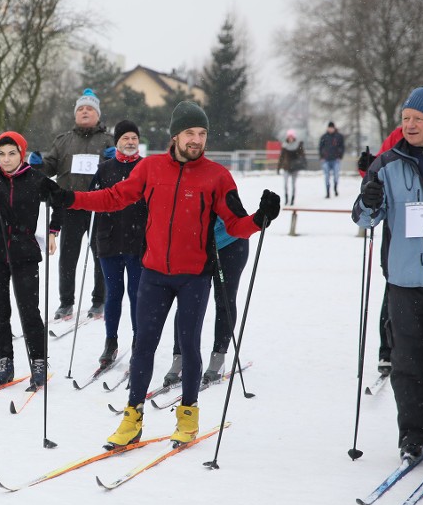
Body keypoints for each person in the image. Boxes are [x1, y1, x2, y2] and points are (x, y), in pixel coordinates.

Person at [49, 101, 280, 448]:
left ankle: (188, 417)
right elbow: (113, 197)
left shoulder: (217, 176)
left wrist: (261, 218)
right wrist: (70, 199)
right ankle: (132, 418)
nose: (197, 140)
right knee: (144, 345)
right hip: (153, 274)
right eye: (190, 133)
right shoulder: (151, 169)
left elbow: (236, 224)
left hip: (194, 277)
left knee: (188, 346)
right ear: (175, 135)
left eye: (202, 134)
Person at [353, 86, 423, 466]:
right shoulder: (387, 163)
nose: (410, 125)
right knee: (407, 364)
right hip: (404, 280)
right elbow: (366, 219)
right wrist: (367, 202)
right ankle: (412, 436)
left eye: (417, 119)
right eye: (405, 119)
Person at [0, 131, 63, 389]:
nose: (6, 159)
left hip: (24, 250)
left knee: (29, 310)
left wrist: (53, 231)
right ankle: (5, 361)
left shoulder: (35, 179)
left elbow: (60, 202)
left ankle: (38, 361)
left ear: (21, 154)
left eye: (12, 153)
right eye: (1, 154)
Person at [30, 88, 115, 321]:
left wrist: (114, 159)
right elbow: (49, 168)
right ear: (75, 114)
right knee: (68, 256)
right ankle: (66, 302)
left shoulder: (109, 140)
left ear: (97, 114)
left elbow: (119, 172)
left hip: (100, 207)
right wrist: (37, 165)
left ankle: (99, 301)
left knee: (100, 255)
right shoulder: (64, 141)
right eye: (81, 109)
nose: (85, 112)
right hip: (71, 205)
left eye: (89, 109)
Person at [163, 218, 249, 387]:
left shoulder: (222, 190)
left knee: (224, 300)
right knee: (187, 301)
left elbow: (231, 211)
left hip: (229, 243)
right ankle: (180, 358)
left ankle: (218, 357)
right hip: (195, 246)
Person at [91, 120, 145, 368]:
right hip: (109, 241)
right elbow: (92, 200)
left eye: (134, 138)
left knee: (137, 295)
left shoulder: (147, 167)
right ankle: (110, 342)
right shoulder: (104, 169)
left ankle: (138, 342)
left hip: (138, 242)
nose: (130, 142)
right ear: (117, 143)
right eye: (125, 138)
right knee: (113, 295)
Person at [277, 129, 305, 206]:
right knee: (285, 184)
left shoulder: (298, 146)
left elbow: (302, 156)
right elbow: (281, 157)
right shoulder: (284, 146)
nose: (290, 138)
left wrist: (300, 147)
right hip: (286, 167)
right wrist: (278, 168)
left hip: (295, 168)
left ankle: (292, 199)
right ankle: (286, 199)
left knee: (293, 184)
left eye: (291, 137)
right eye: (289, 137)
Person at [319, 121, 345, 198]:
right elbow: (320, 147)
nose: (330, 129)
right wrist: (322, 156)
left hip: (335, 159)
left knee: (336, 175)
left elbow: (342, 147)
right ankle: (327, 191)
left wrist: (340, 156)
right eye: (329, 128)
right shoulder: (324, 137)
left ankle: (335, 188)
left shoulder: (339, 137)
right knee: (327, 176)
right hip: (326, 159)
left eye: (331, 128)